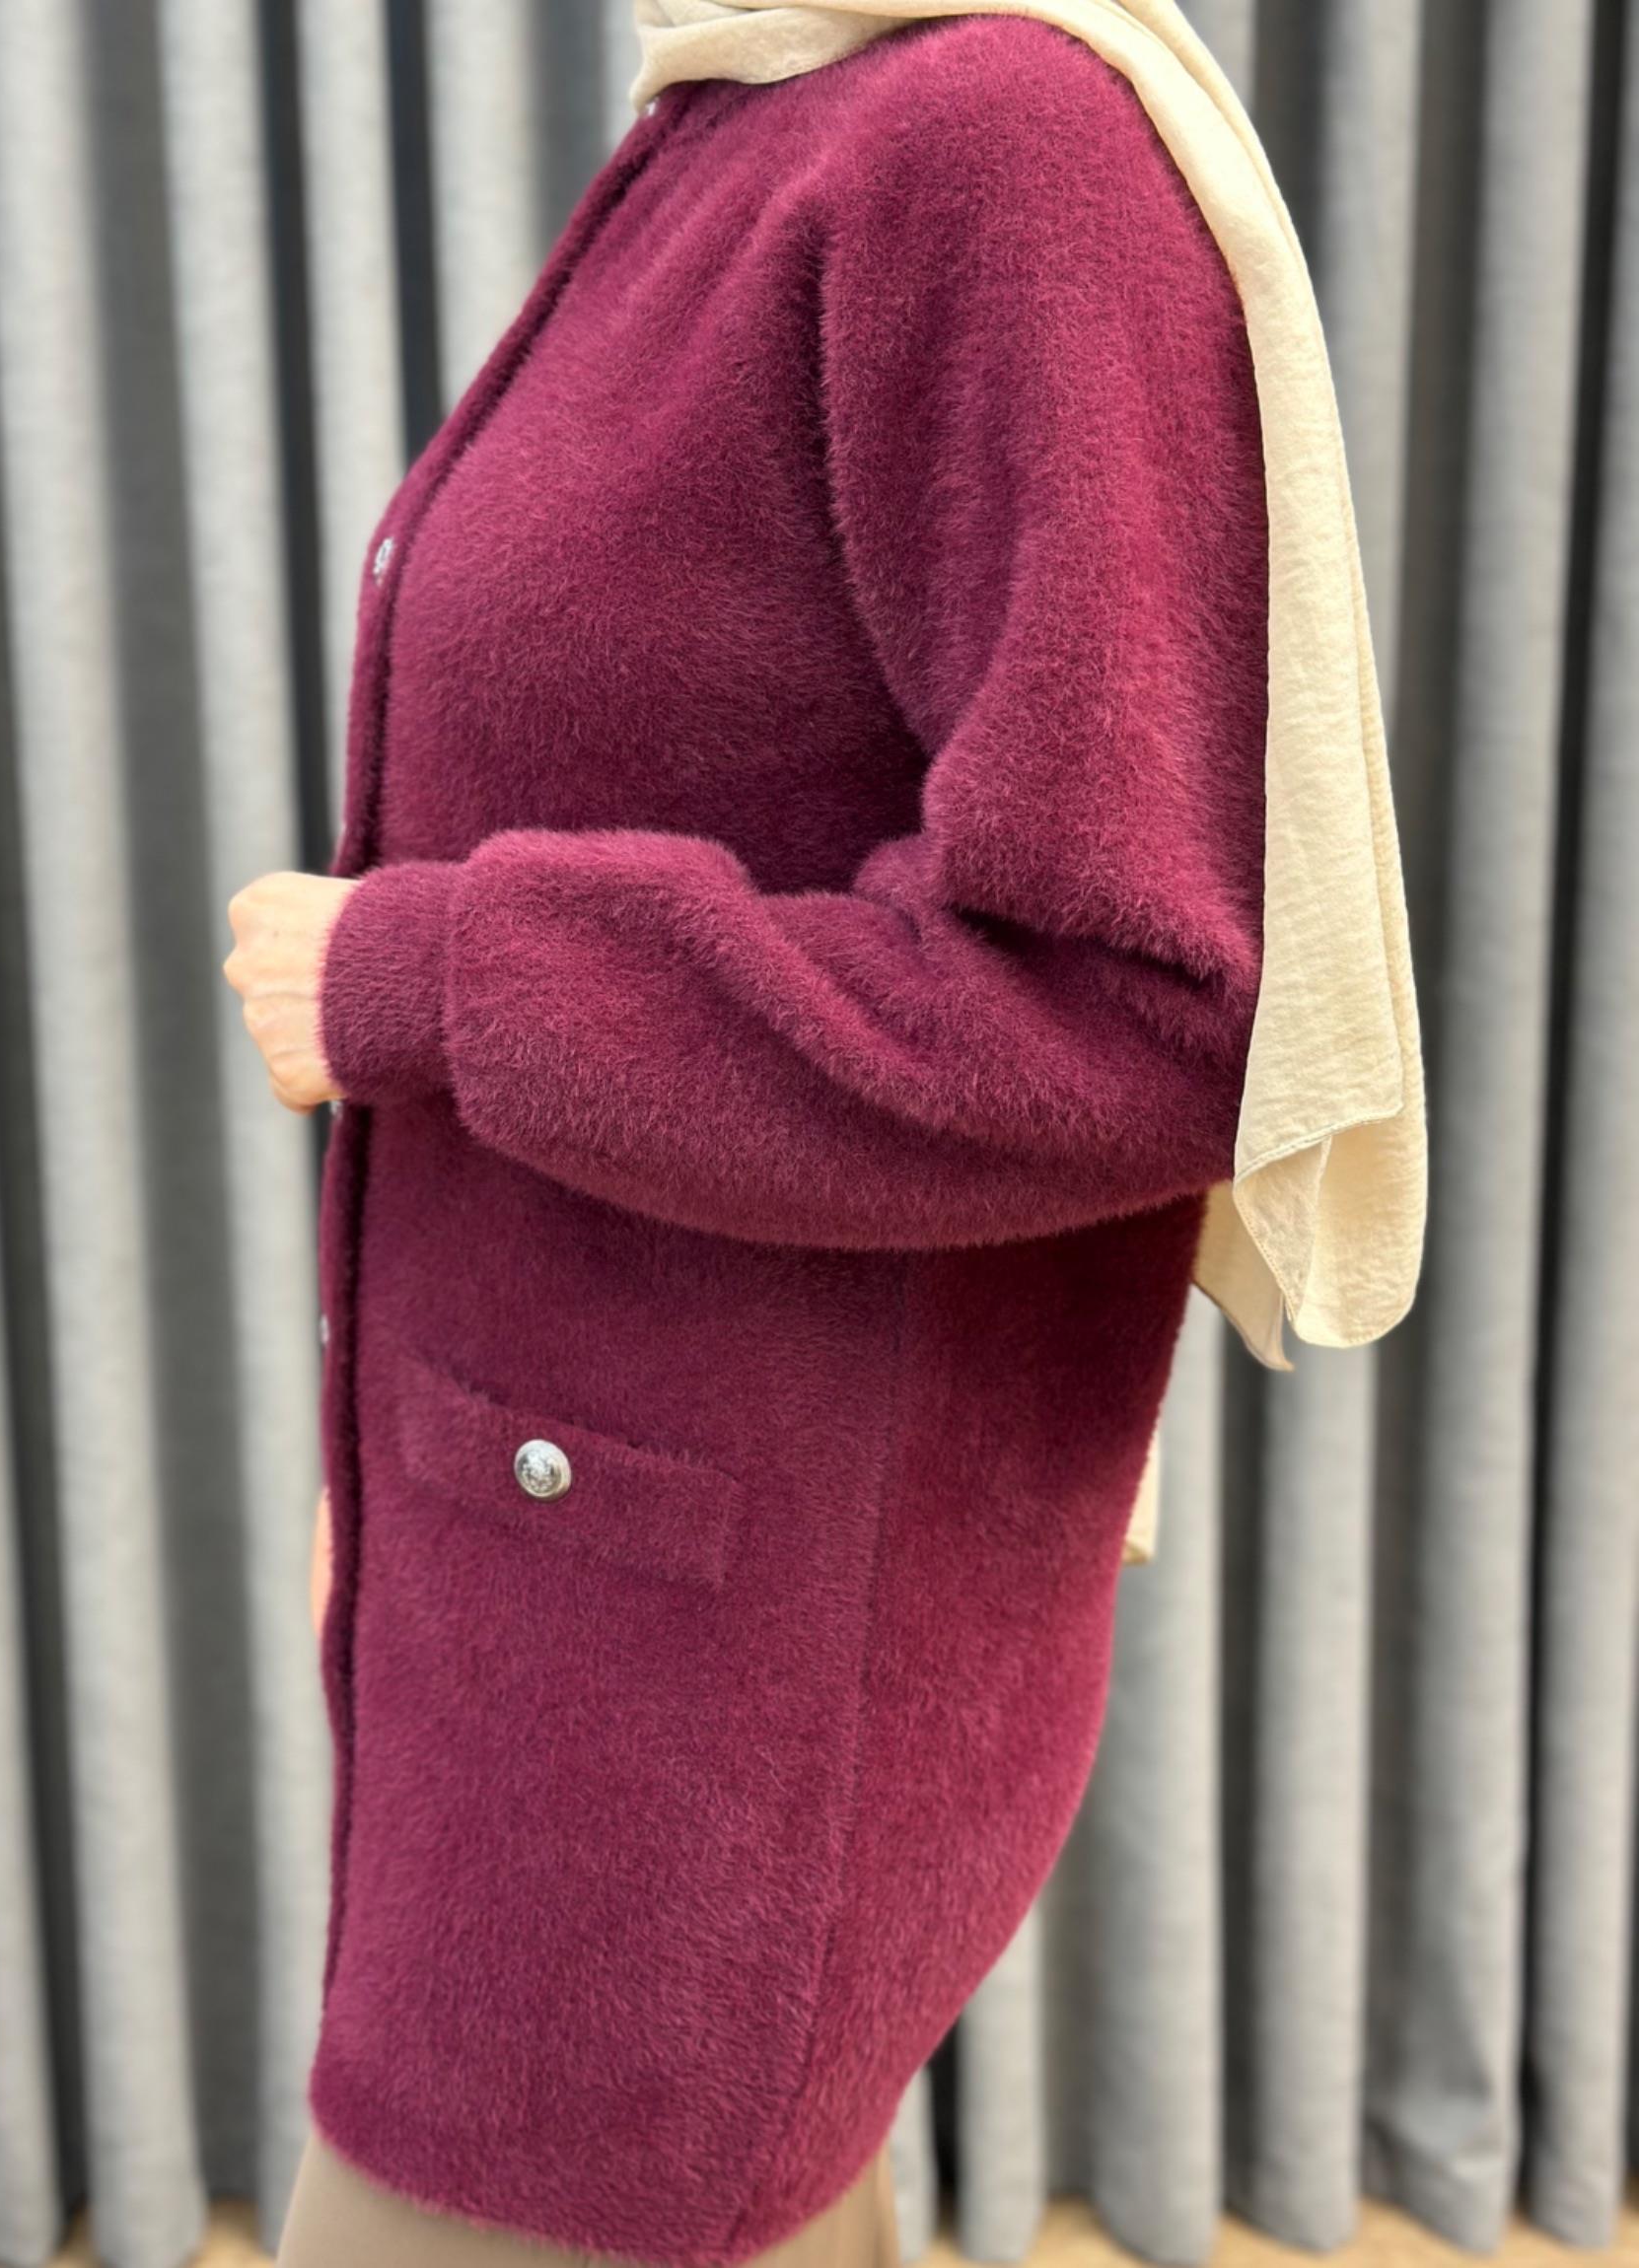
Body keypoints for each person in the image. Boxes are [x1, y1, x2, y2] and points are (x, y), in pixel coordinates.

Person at [222, 6, 1423, 2265]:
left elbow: (1136, 1006)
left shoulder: (995, 147)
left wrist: (440, 973)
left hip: (709, 1675)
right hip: (570, 1576)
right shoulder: (746, 112)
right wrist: (390, 1485)